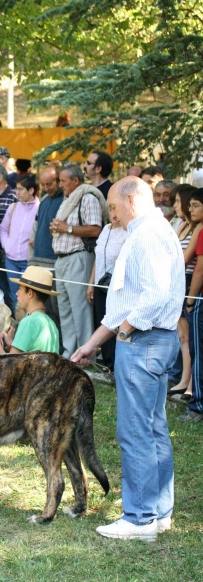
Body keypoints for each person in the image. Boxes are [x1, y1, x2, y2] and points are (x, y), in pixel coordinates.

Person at [71, 176, 184, 542]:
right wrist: (92, 343)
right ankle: (159, 512)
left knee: (135, 431)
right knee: (152, 428)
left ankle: (139, 519)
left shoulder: (148, 234)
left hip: (144, 341)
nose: (111, 213)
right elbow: (124, 300)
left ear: (132, 199)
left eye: (114, 206)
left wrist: (125, 332)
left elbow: (154, 295)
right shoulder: (151, 229)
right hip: (151, 340)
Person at [50, 164, 107, 358]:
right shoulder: (67, 199)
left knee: (80, 310)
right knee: (65, 309)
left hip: (79, 258)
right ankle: (69, 353)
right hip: (62, 259)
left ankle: (85, 355)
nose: (60, 185)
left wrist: (67, 229)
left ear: (76, 181)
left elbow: (95, 229)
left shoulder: (88, 197)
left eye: (63, 181)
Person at [86, 209, 127, 377]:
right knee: (101, 320)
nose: (114, 214)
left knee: (114, 323)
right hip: (99, 284)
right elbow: (98, 257)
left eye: (116, 209)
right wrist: (91, 283)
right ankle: (108, 364)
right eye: (111, 210)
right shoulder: (105, 229)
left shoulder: (127, 231)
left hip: (115, 285)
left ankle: (117, 366)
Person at [166, 184, 198, 398]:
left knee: (191, 336)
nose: (175, 205)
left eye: (178, 201)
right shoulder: (183, 226)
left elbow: (184, 258)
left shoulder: (197, 228)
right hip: (177, 279)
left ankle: (192, 383)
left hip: (187, 280)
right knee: (183, 336)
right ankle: (185, 378)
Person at [28, 166, 64, 339]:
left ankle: (59, 345)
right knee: (43, 308)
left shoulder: (65, 200)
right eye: (44, 184)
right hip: (39, 259)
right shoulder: (44, 200)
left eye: (50, 184)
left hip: (54, 261)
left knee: (57, 308)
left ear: (59, 181)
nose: (47, 188)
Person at [0, 266, 59, 354]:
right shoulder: (51, 324)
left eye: (20, 289)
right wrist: (10, 343)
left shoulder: (29, 322)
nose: (17, 293)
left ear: (30, 293)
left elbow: (11, 365)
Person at [180, 188, 203, 422]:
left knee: (198, 351)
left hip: (200, 299)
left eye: (195, 205)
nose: (190, 209)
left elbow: (199, 269)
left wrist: (190, 299)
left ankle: (197, 406)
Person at [0, 173, 39, 306]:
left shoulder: (40, 208)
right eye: (16, 188)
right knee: (14, 296)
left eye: (20, 189)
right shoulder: (13, 207)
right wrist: (7, 245)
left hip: (28, 261)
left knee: (28, 298)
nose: (17, 192)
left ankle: (29, 324)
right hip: (11, 260)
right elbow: (3, 229)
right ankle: (18, 325)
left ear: (31, 190)